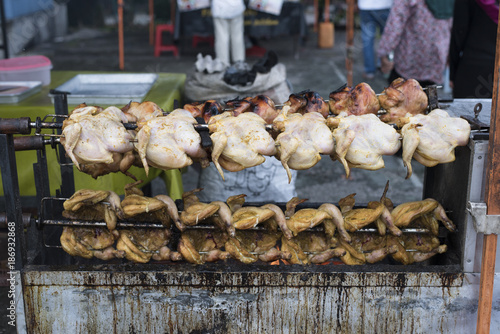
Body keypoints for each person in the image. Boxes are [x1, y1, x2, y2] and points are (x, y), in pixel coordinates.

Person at [377, 0, 454, 87]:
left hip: (409, 57)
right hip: (436, 57)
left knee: (401, 94)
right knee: (427, 93)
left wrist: (384, 52)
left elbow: (395, 24)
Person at [449, 0, 499, 98]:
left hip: (471, 70)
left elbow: (459, 33)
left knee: (465, 112)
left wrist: (452, 74)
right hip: (494, 71)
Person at [357, 0, 393, 80]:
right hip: (385, 5)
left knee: (367, 40)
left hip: (366, 6)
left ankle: (369, 71)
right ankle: (384, 67)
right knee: (387, 37)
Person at [211, 0, 246, 66]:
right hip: (236, 7)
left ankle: (222, 62)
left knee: (221, 37)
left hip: (219, 8)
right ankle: (239, 61)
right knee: (237, 36)